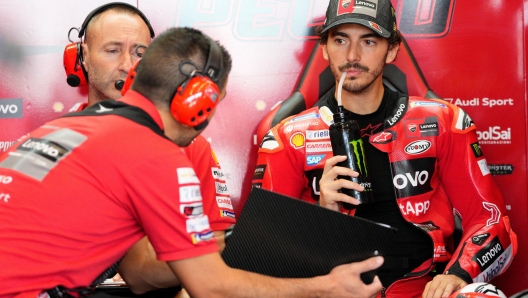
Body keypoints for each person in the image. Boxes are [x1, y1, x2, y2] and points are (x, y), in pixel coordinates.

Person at [0, 26, 385, 298]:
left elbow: (136, 274)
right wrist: (326, 288)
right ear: (197, 101)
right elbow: (211, 288)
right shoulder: (157, 155)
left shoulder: (67, 128)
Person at [252, 0, 517, 297]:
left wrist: (458, 275)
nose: (352, 56)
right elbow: (265, 256)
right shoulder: (288, 137)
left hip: (425, 290)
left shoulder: (443, 122)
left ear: (391, 49)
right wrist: (322, 214)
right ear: (324, 48)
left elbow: (492, 222)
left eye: (368, 41)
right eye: (340, 40)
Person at [68, 3, 235, 294]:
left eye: (139, 53)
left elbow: (216, 255)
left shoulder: (192, 146)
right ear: (82, 56)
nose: (127, 64)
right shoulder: (59, 141)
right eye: (112, 50)